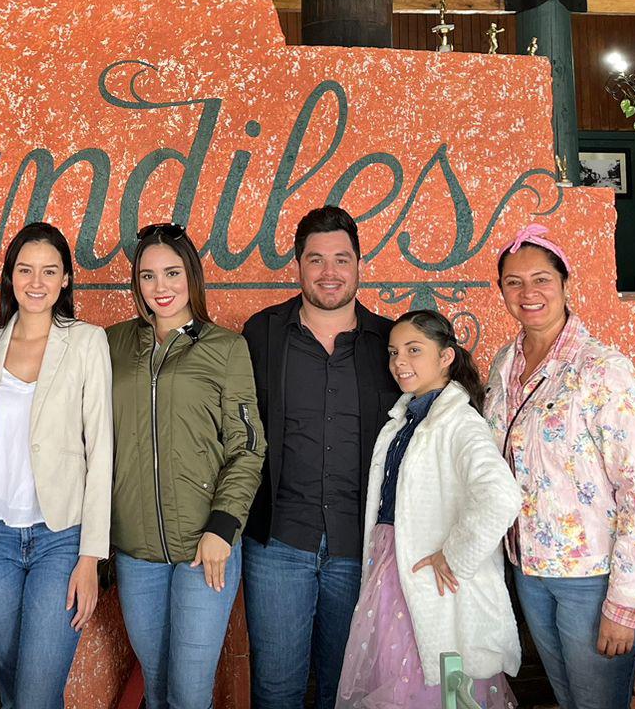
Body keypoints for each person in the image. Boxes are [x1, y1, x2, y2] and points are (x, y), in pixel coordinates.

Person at [485, 225, 635, 709]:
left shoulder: (601, 369)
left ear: (566, 284)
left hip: (595, 577)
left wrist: (625, 602)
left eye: (541, 279)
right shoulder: (505, 364)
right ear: (501, 290)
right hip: (529, 571)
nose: (528, 293)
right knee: (569, 702)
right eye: (514, 282)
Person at [241, 205, 397, 709]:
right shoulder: (261, 333)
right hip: (278, 544)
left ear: (359, 264)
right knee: (276, 690)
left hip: (360, 547)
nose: (329, 272)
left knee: (346, 691)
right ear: (298, 264)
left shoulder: (392, 343)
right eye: (316, 259)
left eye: (341, 259)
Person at [107, 223, 262, 709]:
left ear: (192, 276)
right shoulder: (112, 344)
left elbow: (248, 447)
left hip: (205, 547)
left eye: (172, 273)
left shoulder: (225, 347)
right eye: (148, 276)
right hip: (137, 552)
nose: (161, 287)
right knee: (156, 688)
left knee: (189, 693)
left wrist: (223, 526)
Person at [335, 311, 520, 709]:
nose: (399, 362)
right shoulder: (406, 419)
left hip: (424, 576)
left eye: (414, 350)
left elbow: (501, 495)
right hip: (392, 567)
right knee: (395, 677)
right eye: (393, 352)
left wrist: (455, 554)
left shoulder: (459, 422)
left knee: (424, 681)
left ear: (446, 357)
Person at [0, 223, 114, 709]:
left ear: (66, 279)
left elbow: (102, 450)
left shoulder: (87, 342)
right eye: (25, 270)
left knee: (34, 694)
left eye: (49, 271)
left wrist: (91, 557)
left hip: (61, 538)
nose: (36, 282)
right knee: (14, 687)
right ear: (10, 276)